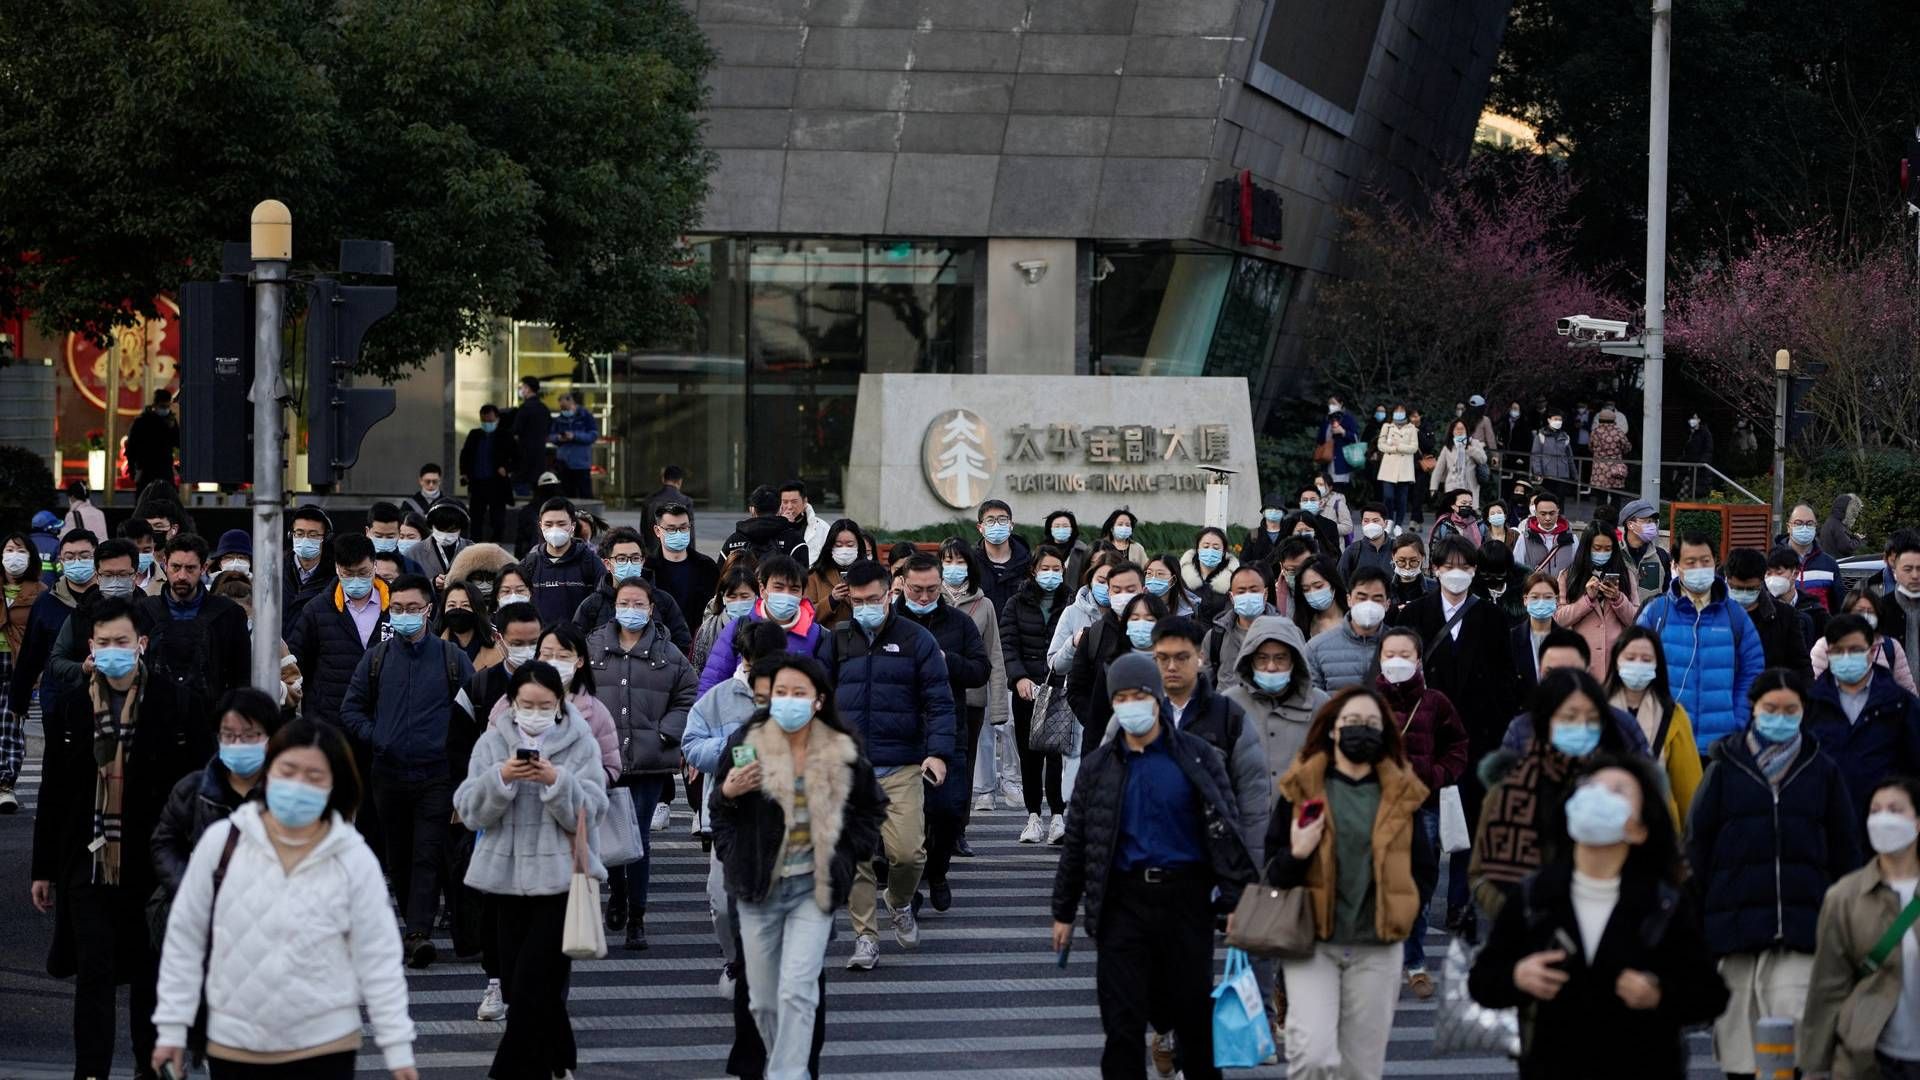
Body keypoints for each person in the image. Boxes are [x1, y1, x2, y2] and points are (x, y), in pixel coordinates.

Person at [150, 717, 418, 1080]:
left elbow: (379, 958)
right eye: (288, 770)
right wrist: (172, 1028)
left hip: (325, 1045)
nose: (298, 785)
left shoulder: (353, 858)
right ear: (267, 772)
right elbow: (185, 937)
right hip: (236, 1042)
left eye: (314, 777)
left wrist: (398, 1049)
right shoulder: (224, 843)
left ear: (334, 785)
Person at [1050, 652, 1254, 1080]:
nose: (1130, 704)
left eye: (1139, 695)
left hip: (1186, 902)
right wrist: (1063, 911)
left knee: (1194, 1022)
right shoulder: (1098, 767)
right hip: (1123, 903)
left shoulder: (1196, 757)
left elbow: (1225, 826)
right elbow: (1080, 841)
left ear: (1157, 698)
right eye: (1121, 697)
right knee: (1122, 1026)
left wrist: (1236, 898)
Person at [31, 597, 210, 1078]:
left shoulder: (177, 704)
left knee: (150, 979)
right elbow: (53, 791)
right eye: (104, 643)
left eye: (122, 643)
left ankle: (149, 1069)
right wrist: (43, 869)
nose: (113, 651)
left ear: (141, 645)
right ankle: (91, 1071)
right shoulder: (71, 708)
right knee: (95, 974)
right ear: (91, 646)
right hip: (87, 862)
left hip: (152, 866)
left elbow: (197, 787)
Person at [1469, 756, 1730, 1079]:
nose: (1599, 796)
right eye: (1590, 787)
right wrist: (1517, 977)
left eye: (1618, 790)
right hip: (1554, 1065)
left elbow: (1711, 993)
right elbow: (1483, 981)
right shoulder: (1535, 896)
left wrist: (1659, 994)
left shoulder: (1663, 903)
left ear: (1639, 829)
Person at [712, 651, 886, 1080]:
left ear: (819, 699)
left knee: (797, 989)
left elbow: (870, 810)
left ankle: (791, 1072)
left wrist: (846, 858)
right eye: (778, 694)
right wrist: (729, 802)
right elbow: (721, 811)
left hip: (813, 889)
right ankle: (775, 1065)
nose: (786, 701)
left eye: (798, 693)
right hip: (757, 887)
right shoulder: (745, 742)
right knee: (762, 999)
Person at [1688, 667, 1862, 1078]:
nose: (1780, 717)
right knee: (1739, 1051)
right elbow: (1697, 846)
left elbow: (1845, 849)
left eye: (1790, 709)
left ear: (1804, 711)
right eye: (1771, 708)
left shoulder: (1822, 769)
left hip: (1803, 931)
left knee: (1793, 1048)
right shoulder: (1725, 766)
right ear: (1754, 709)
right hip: (1735, 932)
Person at [1267, 685, 1434, 1077]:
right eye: (1352, 722)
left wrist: (1404, 912)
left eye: (1371, 724)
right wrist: (1297, 853)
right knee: (1312, 1056)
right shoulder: (1304, 787)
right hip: (1313, 942)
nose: (1361, 730)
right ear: (1333, 729)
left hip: (1377, 947)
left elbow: (1423, 868)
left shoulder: (1400, 793)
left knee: (1361, 1069)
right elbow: (1272, 866)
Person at [454, 659, 609, 1080]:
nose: (535, 713)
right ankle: (559, 1056)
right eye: (527, 705)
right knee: (527, 984)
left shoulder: (580, 742)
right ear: (512, 703)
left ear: (559, 703)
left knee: (528, 988)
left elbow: (593, 810)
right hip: (504, 882)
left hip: (560, 882)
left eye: (545, 705)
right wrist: (502, 779)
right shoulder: (492, 742)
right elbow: (468, 809)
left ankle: (511, 1072)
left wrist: (556, 781)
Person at [339, 573, 476, 969]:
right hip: (388, 774)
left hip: (436, 774)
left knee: (427, 854)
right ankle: (413, 925)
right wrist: (378, 736)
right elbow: (351, 709)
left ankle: (418, 934)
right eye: (397, 609)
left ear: (429, 611)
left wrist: (459, 762)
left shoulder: (452, 659)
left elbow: (473, 714)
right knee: (398, 856)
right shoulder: (377, 658)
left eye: (413, 609)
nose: (405, 616)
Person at [825, 560, 956, 970]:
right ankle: (866, 938)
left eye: (874, 600)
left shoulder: (916, 640)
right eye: (858, 601)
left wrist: (937, 752)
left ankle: (899, 901)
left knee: (908, 854)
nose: (865, 607)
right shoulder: (838, 640)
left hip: (901, 765)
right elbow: (818, 699)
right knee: (857, 858)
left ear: (890, 594)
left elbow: (939, 701)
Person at [587, 577, 698, 949]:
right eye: (625, 602)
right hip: (606, 759)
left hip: (650, 761)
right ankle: (616, 890)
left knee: (638, 836)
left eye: (639, 603)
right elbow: (575, 692)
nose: (631, 609)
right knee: (613, 833)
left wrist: (667, 732)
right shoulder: (594, 647)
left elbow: (689, 694)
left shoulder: (667, 652)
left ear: (651, 608)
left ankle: (637, 917)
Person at [1470, 669, 1633, 920]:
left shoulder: (1622, 787)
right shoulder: (1511, 788)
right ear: (1546, 721)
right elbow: (1481, 874)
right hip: (1528, 938)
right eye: (1569, 717)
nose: (1582, 727)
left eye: (1592, 719)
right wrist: (1516, 914)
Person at [1799, 775, 1920, 1080]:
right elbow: (1828, 984)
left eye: (1895, 809)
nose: (1883, 819)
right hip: (1868, 1058)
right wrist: (1815, 1066)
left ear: (1917, 823)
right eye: (1875, 810)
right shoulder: (1845, 897)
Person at [1372, 628, 1468, 995]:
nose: (1397, 661)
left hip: (1423, 805)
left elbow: (1458, 744)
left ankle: (1414, 962)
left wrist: (1438, 776)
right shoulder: (1368, 702)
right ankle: (1382, 959)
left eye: (1404, 655)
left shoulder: (1434, 702)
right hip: (1377, 808)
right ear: (1380, 658)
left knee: (1419, 885)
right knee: (1379, 884)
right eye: (1390, 654)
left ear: (1417, 660)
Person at [891, 552, 988, 910]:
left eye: (932, 590)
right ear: (902, 585)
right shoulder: (889, 621)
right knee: (907, 817)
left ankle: (938, 871)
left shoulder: (958, 623)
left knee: (947, 811)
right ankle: (911, 883)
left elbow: (980, 669)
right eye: (916, 590)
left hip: (949, 730)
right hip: (900, 734)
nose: (924, 597)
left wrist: (948, 661)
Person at [1637, 530, 1768, 755]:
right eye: (1691, 561)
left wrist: (1737, 721)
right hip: (1666, 740)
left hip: (1720, 744)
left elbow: (1753, 672)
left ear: (1715, 561)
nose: (1699, 567)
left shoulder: (1735, 616)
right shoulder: (1657, 613)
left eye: (1705, 561)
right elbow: (1635, 665)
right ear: (1676, 566)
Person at [2, 527, 99, 812]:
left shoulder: (108, 600)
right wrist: (18, 701)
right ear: (60, 561)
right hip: (58, 701)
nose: (77, 561)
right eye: (70, 556)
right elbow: (31, 654)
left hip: (102, 700)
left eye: (84, 555)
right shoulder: (47, 602)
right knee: (57, 772)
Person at [1806, 614, 1920, 819]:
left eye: (1856, 650)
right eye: (1839, 651)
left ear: (1872, 650)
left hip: (1886, 818)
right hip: (1826, 819)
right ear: (1829, 652)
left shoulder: (1900, 703)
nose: (1847, 657)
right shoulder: (1811, 704)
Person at [936, 539, 1011, 829]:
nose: (953, 568)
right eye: (948, 561)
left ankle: (958, 829)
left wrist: (999, 710)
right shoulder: (930, 598)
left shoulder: (984, 604)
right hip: (934, 696)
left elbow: (994, 655)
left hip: (971, 699)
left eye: (960, 561)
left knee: (963, 767)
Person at [1001, 545, 1071, 842]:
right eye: (1046, 569)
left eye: (1057, 569)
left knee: (1055, 752)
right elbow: (1008, 644)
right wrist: (1018, 678)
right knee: (1030, 754)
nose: (1051, 574)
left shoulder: (1070, 601)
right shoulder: (1016, 603)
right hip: (1027, 689)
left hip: (1060, 686)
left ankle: (1058, 815)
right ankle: (1033, 816)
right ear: (1033, 570)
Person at [286, 534, 389, 728]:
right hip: (330, 721)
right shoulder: (317, 610)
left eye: (363, 572)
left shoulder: (396, 607)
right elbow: (297, 664)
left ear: (375, 565)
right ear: (337, 569)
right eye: (348, 574)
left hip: (383, 718)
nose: (356, 580)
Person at [135, 533, 251, 702]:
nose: (182, 576)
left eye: (190, 568)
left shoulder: (229, 615)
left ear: (203, 568)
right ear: (165, 564)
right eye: (176, 567)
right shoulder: (142, 612)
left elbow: (241, 678)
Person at [1604, 628, 1704, 822]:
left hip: (1659, 824)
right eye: (1630, 658)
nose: (1638, 665)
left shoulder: (1673, 715)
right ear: (1616, 660)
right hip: (1605, 825)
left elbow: (1688, 785)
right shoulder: (1598, 712)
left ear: (1658, 665)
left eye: (1646, 659)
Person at [698, 554, 830, 695]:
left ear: (803, 593)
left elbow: (825, 690)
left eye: (794, 589)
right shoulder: (739, 628)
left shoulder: (818, 635)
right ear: (762, 590)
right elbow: (712, 682)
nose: (786, 594)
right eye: (778, 587)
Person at [568, 526, 692, 651]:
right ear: (607, 564)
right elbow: (577, 649)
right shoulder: (592, 605)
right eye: (621, 559)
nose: (629, 564)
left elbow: (682, 647)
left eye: (635, 558)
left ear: (642, 561)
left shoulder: (663, 601)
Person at [1066, 563, 1151, 739]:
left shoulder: (1158, 630)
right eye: (1117, 590)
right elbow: (1076, 688)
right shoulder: (1094, 634)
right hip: (1102, 739)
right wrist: (1095, 722)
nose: (1123, 596)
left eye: (1130, 589)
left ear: (1143, 590)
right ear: (1109, 593)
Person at [1555, 523, 1639, 681]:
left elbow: (1636, 620)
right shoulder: (1569, 575)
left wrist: (1617, 598)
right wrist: (1587, 599)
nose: (1603, 553)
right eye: (1597, 548)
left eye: (1608, 549)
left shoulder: (1626, 575)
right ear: (1587, 548)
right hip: (1581, 663)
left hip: (1617, 664)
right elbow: (1560, 619)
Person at [1725, 546, 1815, 675]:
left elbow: (1802, 668)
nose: (1744, 593)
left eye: (1751, 589)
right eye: (1737, 588)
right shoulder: (1709, 615)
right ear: (1727, 580)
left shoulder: (1785, 616)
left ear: (1762, 582)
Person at [520, 496, 606, 626]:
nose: (555, 529)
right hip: (540, 643)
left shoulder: (590, 562)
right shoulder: (529, 564)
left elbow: (603, 607)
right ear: (540, 526)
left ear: (573, 526)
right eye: (548, 524)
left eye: (561, 524)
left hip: (578, 642)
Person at [1814, 585, 1916, 692]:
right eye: (1860, 611)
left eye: (1870, 612)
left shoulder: (1891, 647)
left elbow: (1907, 690)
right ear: (1847, 613)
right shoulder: (1825, 644)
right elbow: (1814, 687)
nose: (1865, 616)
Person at [1305, 566, 1390, 692]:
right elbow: (1311, 702)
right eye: (1361, 598)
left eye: (1377, 599)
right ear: (1349, 599)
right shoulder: (1316, 648)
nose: (1368, 604)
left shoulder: (1404, 647)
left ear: (1387, 604)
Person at [1201, 562, 1278, 692]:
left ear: (1265, 594)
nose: (1247, 595)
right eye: (1241, 592)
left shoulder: (1284, 631)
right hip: (1227, 709)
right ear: (1232, 597)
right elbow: (1203, 680)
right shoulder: (1216, 635)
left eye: (1254, 590)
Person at [459, 403, 519, 543]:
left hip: (496, 484)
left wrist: (507, 468)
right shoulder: (474, 435)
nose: (487, 424)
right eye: (484, 421)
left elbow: (518, 458)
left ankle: (496, 544)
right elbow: (465, 455)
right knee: (476, 518)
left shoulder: (505, 436)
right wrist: (464, 473)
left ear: (497, 419)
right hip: (477, 483)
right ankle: (475, 545)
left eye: (490, 421)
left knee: (497, 518)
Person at [650, 501, 719, 619]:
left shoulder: (707, 566)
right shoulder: (647, 568)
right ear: (657, 531)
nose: (678, 533)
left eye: (683, 527)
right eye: (671, 529)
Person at [694, 557, 761, 673]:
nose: (738, 601)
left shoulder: (766, 626)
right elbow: (698, 671)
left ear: (756, 596)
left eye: (744, 597)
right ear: (723, 597)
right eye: (732, 597)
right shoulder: (707, 629)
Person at [1777, 502, 1844, 613]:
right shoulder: (1773, 562)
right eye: (1798, 523)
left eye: (1809, 524)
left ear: (1815, 527)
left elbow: (1838, 608)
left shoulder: (1829, 564)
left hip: (1819, 628)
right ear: (1789, 527)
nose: (1804, 527)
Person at [722, 485, 811, 567]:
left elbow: (720, 577)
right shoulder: (794, 540)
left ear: (753, 510)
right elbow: (802, 578)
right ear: (779, 509)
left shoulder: (733, 540)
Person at [804, 519, 870, 629]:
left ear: (858, 546)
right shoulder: (815, 576)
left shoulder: (870, 573)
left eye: (850, 545)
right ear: (830, 547)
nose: (844, 550)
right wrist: (832, 600)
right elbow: (807, 615)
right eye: (838, 545)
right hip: (827, 638)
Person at [972, 499, 1032, 615]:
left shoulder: (1026, 561)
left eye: (1002, 519)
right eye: (990, 520)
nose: (997, 525)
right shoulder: (971, 562)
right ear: (980, 527)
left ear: (1011, 525)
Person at [1767, 546, 1831, 649]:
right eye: (1769, 573)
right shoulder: (1761, 609)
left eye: (1779, 573)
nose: (1773, 578)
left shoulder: (1814, 611)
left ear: (1795, 573)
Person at [1880, 531, 1920, 690]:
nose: (1915, 575)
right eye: (1908, 569)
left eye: (1919, 568)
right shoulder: (1879, 609)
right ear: (1895, 572)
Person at [284, 504, 337, 622]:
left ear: (326, 537)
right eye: (299, 533)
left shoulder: (336, 577)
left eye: (313, 535)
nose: (305, 539)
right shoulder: (276, 571)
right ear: (291, 535)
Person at [1511, 490, 1577, 580]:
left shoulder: (1572, 538)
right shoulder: (1524, 538)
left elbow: (1577, 569)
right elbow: (1516, 568)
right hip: (1535, 592)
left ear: (1558, 512)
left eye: (1552, 513)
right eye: (1543, 514)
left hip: (1564, 592)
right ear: (1536, 513)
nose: (1548, 518)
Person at [1180, 526, 1239, 623]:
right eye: (1206, 546)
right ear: (1198, 549)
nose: (1210, 551)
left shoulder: (1235, 578)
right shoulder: (1182, 574)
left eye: (1216, 548)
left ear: (1223, 551)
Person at [123, 388, 178, 491]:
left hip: (164, 469)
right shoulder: (142, 422)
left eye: (167, 406)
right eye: (163, 406)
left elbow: (177, 441)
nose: (165, 409)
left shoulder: (170, 421)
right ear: (155, 405)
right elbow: (132, 447)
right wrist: (132, 468)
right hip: (147, 469)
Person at [1618, 498, 1673, 597]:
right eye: (1648, 521)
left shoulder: (1661, 556)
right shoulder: (1615, 554)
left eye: (1654, 522)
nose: (1653, 525)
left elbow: (1668, 593)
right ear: (1630, 524)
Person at [509, 375, 553, 494]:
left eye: (522, 387)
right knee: (537, 487)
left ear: (527, 388)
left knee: (520, 486)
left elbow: (516, 430)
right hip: (539, 455)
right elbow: (549, 428)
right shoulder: (544, 408)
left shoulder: (525, 408)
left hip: (524, 455)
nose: (520, 390)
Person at [1430, 418, 1489, 507]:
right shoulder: (1448, 447)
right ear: (1452, 431)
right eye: (1457, 429)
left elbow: (1483, 459)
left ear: (1466, 430)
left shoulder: (1474, 443)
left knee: (1468, 512)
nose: (1459, 431)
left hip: (1469, 486)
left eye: (1462, 429)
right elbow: (1439, 469)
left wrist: (1470, 449)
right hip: (1452, 486)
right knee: (1453, 512)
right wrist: (1433, 487)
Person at [548, 391, 597, 497]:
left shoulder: (585, 417)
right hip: (564, 463)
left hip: (581, 463)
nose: (564, 410)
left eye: (565, 407)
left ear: (572, 402)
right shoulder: (559, 419)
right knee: (567, 494)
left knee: (585, 494)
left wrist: (574, 436)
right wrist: (559, 438)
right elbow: (551, 436)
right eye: (562, 408)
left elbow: (593, 435)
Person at [1291, 554, 1348, 643]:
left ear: (1333, 584)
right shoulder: (1302, 625)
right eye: (1306, 589)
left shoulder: (1353, 619)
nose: (1312, 593)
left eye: (1318, 586)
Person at [1336, 504, 1394, 583]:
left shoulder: (1397, 548)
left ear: (1385, 523)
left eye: (1375, 521)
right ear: (1361, 523)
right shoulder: (1352, 551)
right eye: (1366, 521)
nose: (1370, 524)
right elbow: (1341, 581)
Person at [777, 480, 830, 559]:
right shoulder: (773, 527)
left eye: (794, 502)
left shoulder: (822, 528)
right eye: (785, 502)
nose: (789, 507)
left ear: (805, 501)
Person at [1320, 395, 1363, 493]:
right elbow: (1320, 439)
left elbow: (1355, 438)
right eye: (1330, 403)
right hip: (1327, 458)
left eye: (1334, 403)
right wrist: (1329, 431)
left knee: (1339, 490)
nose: (1331, 405)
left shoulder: (1347, 419)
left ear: (1341, 404)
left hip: (1341, 459)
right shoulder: (1327, 419)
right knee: (1327, 488)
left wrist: (1343, 432)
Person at [1384, 533, 1431, 614]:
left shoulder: (1434, 589)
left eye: (1413, 561)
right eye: (1401, 561)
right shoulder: (1383, 589)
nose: (1407, 566)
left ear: (1422, 557)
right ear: (1393, 557)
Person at [1817, 492, 1865, 561]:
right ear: (1847, 510)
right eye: (1853, 513)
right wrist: (1857, 539)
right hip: (1838, 565)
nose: (1855, 516)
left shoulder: (1830, 521)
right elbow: (1846, 548)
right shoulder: (1838, 526)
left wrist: (1853, 537)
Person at [61, 481, 107, 546]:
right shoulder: (100, 513)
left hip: (85, 553)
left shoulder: (73, 515)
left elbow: (64, 539)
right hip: (102, 552)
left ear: (72, 497)